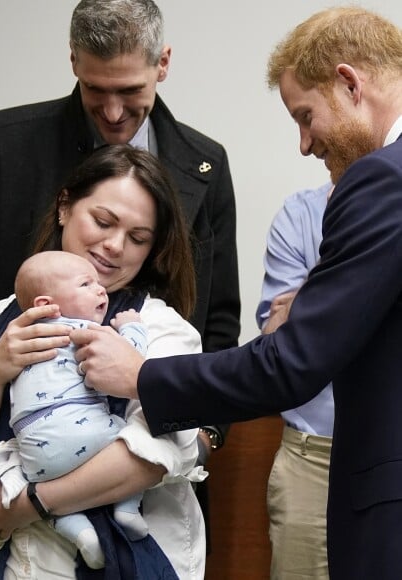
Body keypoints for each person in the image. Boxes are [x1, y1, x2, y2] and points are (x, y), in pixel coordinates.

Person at [69, 7, 402, 579]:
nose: (304, 144)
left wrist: (140, 376)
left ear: (350, 83)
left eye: (305, 115)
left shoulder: (383, 179)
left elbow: (291, 364)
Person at [0, 0, 238, 562]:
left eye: (130, 91)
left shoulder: (203, 162)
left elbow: (218, 319)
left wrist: (202, 431)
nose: (113, 112)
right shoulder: (0, 146)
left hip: (148, 493)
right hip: (7, 474)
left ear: (162, 64)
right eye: (96, 89)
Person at [0, 145, 208, 579]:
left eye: (138, 238)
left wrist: (26, 505)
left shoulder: (158, 328)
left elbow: (150, 456)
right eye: (102, 221)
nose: (114, 246)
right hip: (15, 565)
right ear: (64, 207)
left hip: (137, 556)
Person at [0, 250, 151, 568]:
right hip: (87, 435)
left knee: (52, 489)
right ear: (45, 305)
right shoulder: (83, 330)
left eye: (97, 284)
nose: (100, 290)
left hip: (34, 462)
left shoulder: (14, 337)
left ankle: (80, 531)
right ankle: (127, 506)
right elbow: (135, 366)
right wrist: (133, 328)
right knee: (130, 435)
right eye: (86, 284)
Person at [257, 182, 333, 579]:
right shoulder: (299, 214)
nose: (304, 144)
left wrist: (309, 297)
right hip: (312, 458)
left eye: (307, 116)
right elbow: (279, 344)